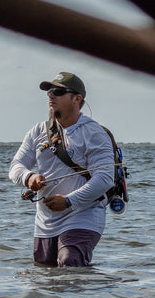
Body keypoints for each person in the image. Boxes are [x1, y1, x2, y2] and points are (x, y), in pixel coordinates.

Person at [8, 72, 115, 267]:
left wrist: (68, 201)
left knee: (69, 263)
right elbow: (16, 167)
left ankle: (88, 297)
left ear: (77, 99)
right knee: (44, 276)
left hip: (83, 216)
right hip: (45, 222)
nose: (51, 95)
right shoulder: (38, 131)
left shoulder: (94, 133)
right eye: (49, 91)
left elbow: (105, 178)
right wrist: (28, 177)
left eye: (58, 91)